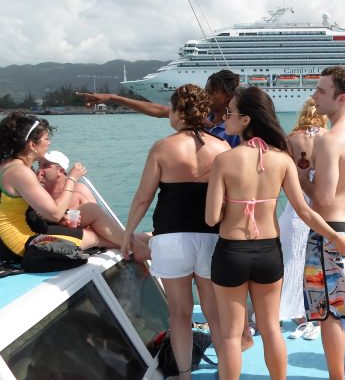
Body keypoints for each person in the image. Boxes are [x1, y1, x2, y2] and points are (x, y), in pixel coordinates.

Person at [205, 85, 345, 380]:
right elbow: (305, 211)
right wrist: (336, 237)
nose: (225, 118)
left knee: (233, 334)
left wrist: (233, 206)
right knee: (271, 327)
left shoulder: (224, 160)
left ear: (246, 120)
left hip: (232, 251)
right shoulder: (282, 159)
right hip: (268, 252)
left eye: (231, 113)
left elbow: (210, 219)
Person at [122, 84, 231, 380]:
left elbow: (143, 197)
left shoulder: (163, 147)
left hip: (171, 239)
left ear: (178, 112)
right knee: (214, 313)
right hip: (212, 237)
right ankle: (227, 371)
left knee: (180, 314)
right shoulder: (222, 148)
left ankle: (184, 375)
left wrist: (128, 234)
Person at [298, 65, 345, 380]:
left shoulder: (329, 140)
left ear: (341, 98)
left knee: (329, 311)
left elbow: (323, 200)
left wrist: (302, 178)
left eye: (320, 91)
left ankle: (335, 376)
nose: (314, 96)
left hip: (329, 234)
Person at [0, 112, 148, 263]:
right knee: (94, 236)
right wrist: (71, 179)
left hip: (22, 232)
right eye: (46, 139)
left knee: (91, 210)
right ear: (32, 145)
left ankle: (140, 244)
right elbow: (56, 214)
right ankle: (142, 247)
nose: (49, 143)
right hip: (22, 243)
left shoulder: (8, 165)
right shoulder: (20, 172)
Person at [76, 69, 241, 147]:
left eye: (210, 92)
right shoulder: (205, 119)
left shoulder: (238, 129)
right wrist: (113, 97)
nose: (206, 96)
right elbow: (157, 110)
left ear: (227, 95)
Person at [279, 98, 328, 331]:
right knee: (314, 263)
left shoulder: (290, 139)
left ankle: (291, 311)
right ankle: (310, 311)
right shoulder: (327, 138)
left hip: (295, 205)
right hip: (321, 207)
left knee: (289, 260)